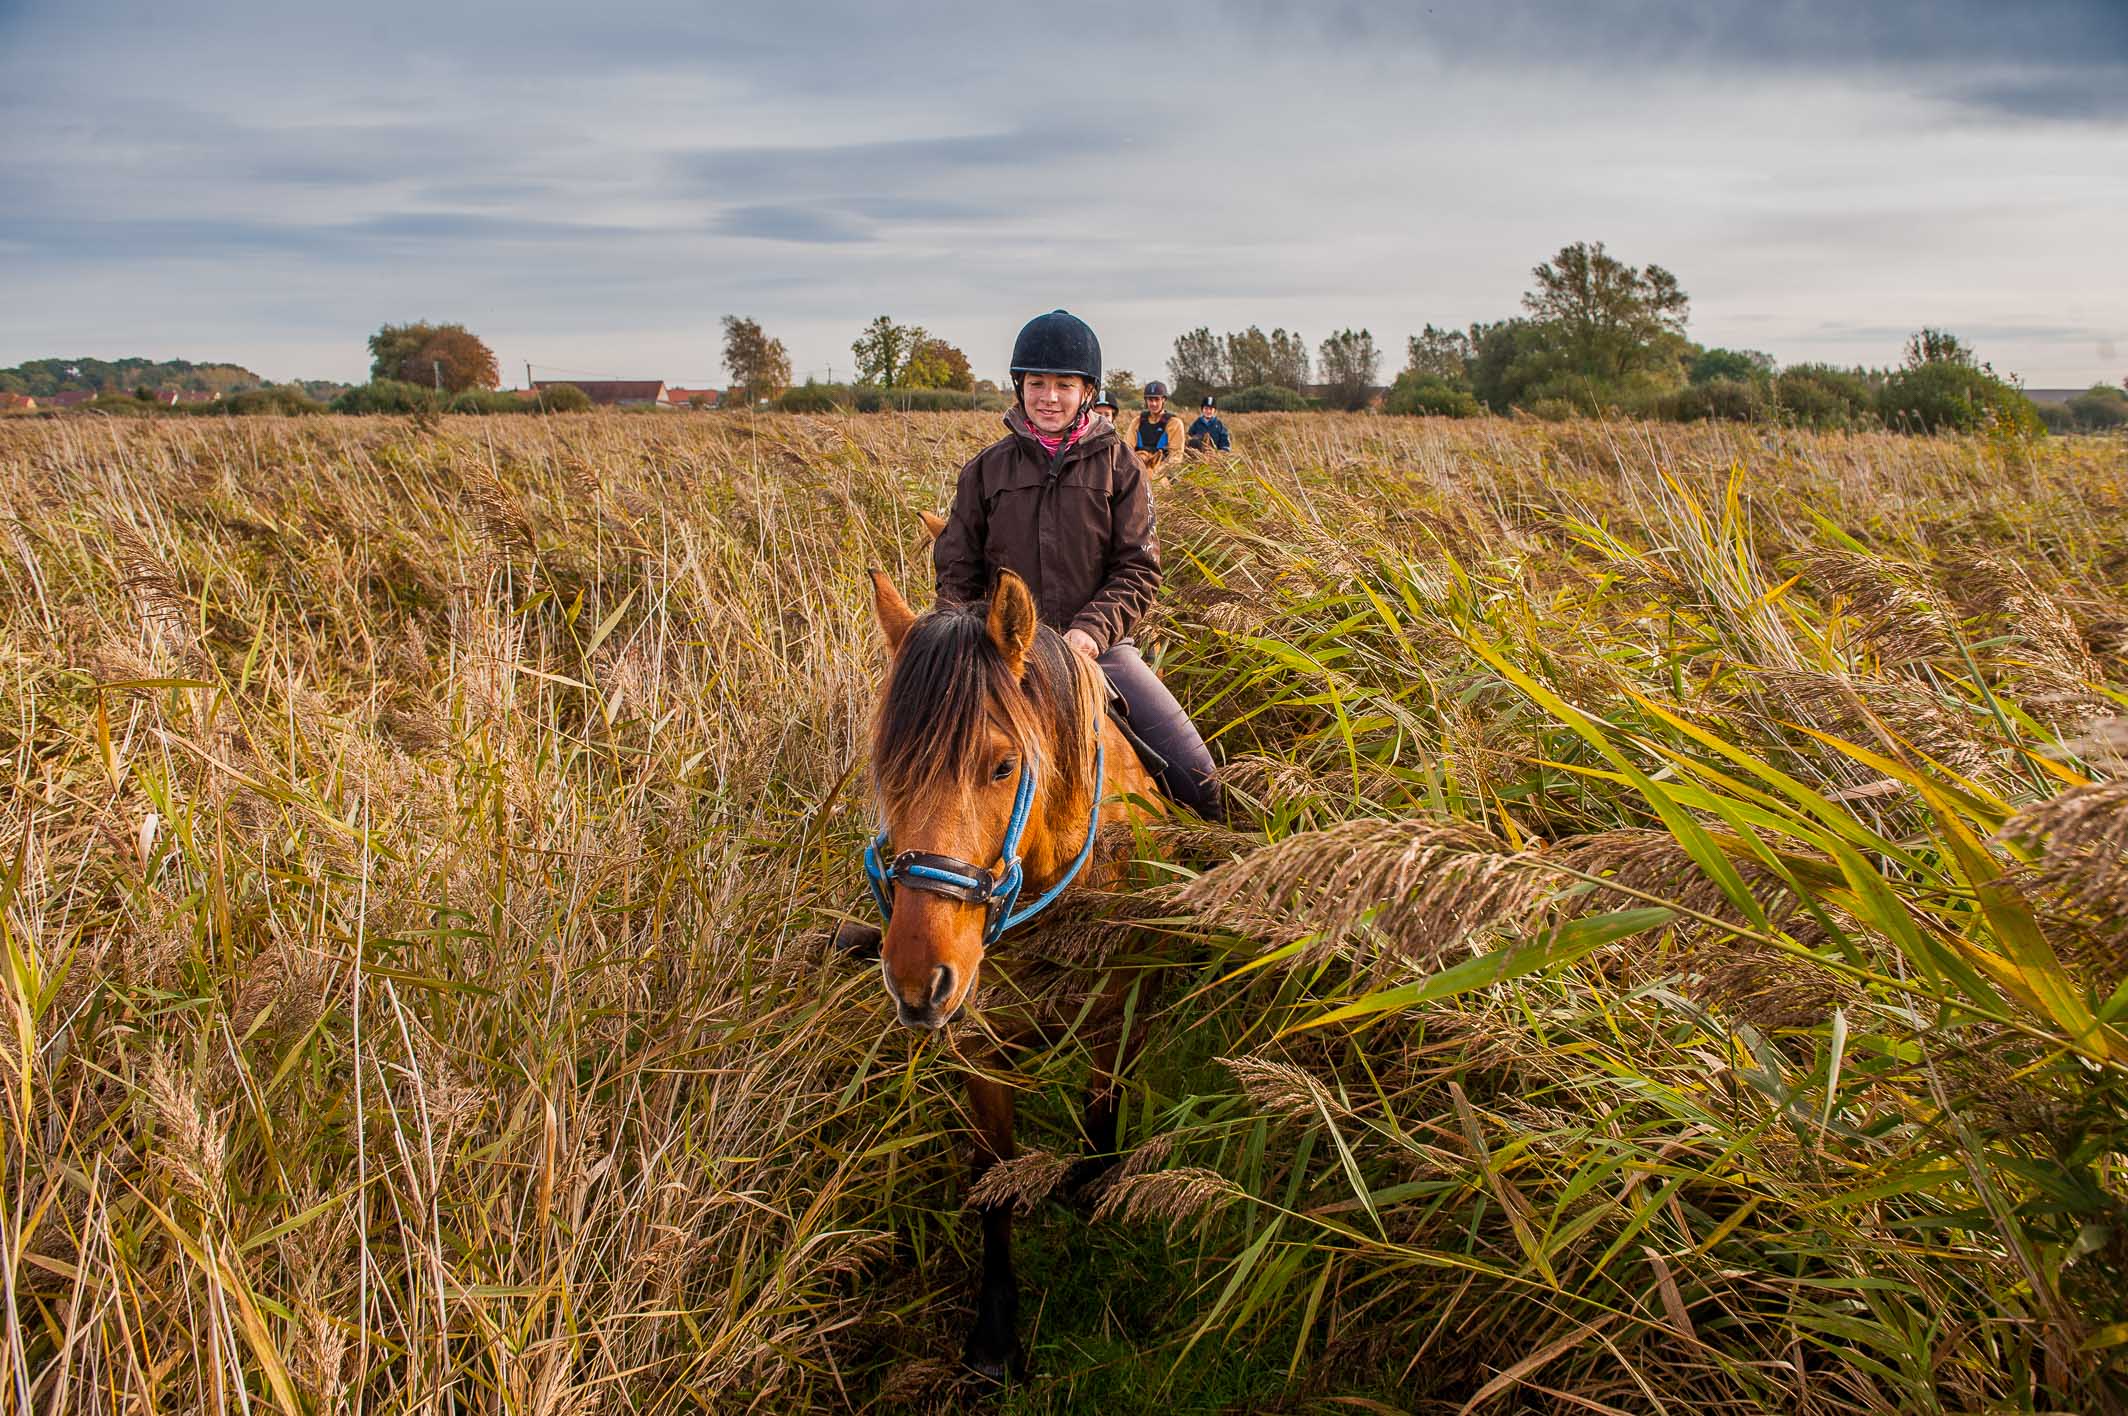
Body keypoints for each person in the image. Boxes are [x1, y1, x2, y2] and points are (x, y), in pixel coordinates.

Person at [932, 310, 1222, 820]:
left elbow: (1138, 568)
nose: (1048, 397)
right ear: (1019, 386)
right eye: (1036, 383)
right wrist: (972, 646)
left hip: (1098, 652)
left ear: (1087, 390)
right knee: (925, 765)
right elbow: (957, 571)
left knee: (1198, 777)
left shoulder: (1121, 467)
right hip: (1001, 659)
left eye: (1064, 384)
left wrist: (1090, 632)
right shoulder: (984, 470)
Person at [1126, 380, 1188, 472]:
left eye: (1157, 399)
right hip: (1138, 467)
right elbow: (1127, 448)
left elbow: (1176, 456)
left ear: (1163, 399)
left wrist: (1157, 471)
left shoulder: (1174, 423)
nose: (1153, 403)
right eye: (1150, 400)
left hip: (1162, 470)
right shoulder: (1137, 421)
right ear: (1146, 400)